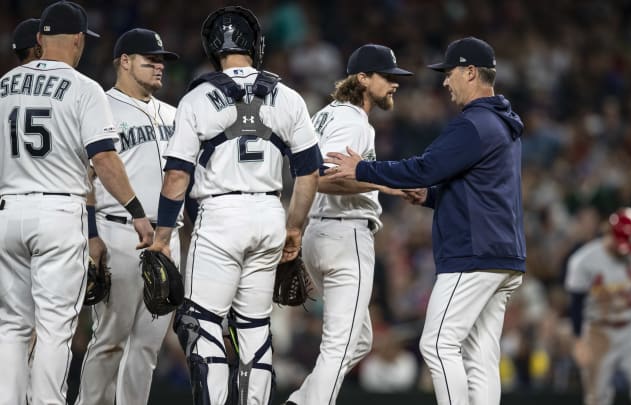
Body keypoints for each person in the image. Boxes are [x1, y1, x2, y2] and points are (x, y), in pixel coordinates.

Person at [324, 36, 526, 405]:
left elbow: (424, 167)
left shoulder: (475, 123)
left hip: (474, 254)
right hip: (503, 256)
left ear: (470, 72)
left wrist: (363, 167)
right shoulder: (502, 123)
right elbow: (480, 189)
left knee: (437, 343)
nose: (445, 82)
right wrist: (430, 197)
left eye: (449, 73)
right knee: (480, 354)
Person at [146, 6, 321, 405]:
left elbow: (176, 177)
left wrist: (162, 237)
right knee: (255, 327)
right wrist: (294, 228)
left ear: (213, 48)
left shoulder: (196, 97)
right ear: (255, 45)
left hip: (221, 217)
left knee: (201, 324)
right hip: (269, 215)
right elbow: (309, 173)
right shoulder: (289, 96)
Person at [0, 2, 154, 404]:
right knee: (54, 326)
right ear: (78, 40)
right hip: (57, 213)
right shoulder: (84, 87)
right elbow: (103, 159)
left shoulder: (3, 84)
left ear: (38, 38)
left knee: (12, 326)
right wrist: (137, 211)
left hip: (8, 210)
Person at [283, 44, 411, 405]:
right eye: (387, 77)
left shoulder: (325, 114)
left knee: (359, 341)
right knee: (339, 347)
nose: (394, 84)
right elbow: (318, 176)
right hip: (345, 233)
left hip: (320, 233)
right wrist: (383, 182)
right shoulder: (352, 120)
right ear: (363, 78)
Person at [75, 28, 180, 405]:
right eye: (149, 59)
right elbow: (84, 177)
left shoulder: (173, 113)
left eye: (161, 61)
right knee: (109, 340)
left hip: (167, 236)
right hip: (118, 230)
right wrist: (90, 236)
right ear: (123, 61)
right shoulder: (98, 106)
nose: (158, 66)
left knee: (148, 347)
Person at [565, 207, 631, 405]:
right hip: (598, 330)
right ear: (609, 233)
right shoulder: (584, 260)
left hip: (630, 327)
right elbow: (575, 305)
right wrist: (578, 340)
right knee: (596, 395)